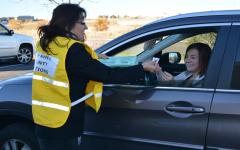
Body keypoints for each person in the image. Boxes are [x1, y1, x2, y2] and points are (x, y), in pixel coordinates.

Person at [32, 3, 160, 150]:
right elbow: (108, 75)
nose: (85, 27)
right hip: (63, 125)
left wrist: (91, 57)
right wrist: (142, 68)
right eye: (82, 22)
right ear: (68, 24)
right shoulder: (74, 50)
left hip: (44, 120)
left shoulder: (45, 43)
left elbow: (64, 64)